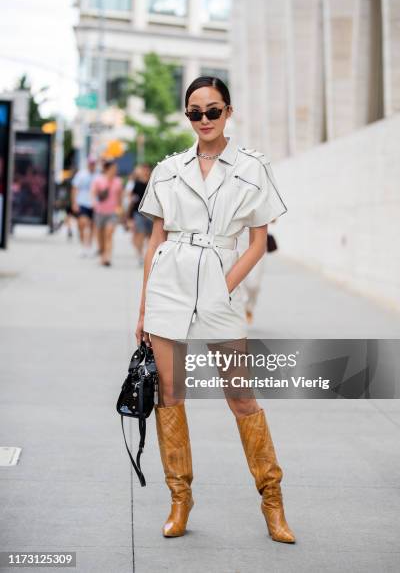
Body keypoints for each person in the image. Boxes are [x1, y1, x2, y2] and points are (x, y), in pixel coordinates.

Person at [135, 76, 295, 543]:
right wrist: (143, 308)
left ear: (228, 112)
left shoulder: (252, 167)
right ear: (187, 116)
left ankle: (273, 501)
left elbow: (259, 242)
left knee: (240, 396)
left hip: (220, 286)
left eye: (212, 110)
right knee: (169, 395)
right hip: (169, 284)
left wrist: (222, 288)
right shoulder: (168, 170)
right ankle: (179, 499)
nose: (203, 120)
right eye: (194, 112)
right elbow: (155, 239)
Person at [91, 160, 123, 267]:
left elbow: (120, 197)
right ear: (106, 169)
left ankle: (107, 257)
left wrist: (120, 209)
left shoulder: (118, 181)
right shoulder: (98, 180)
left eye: (116, 168)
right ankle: (102, 253)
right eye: (113, 168)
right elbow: (93, 194)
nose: (115, 170)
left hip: (113, 212)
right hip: (100, 212)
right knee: (100, 236)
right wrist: (94, 203)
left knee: (109, 234)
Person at [71, 157, 100, 257]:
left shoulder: (98, 175)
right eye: (91, 164)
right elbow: (75, 189)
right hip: (82, 202)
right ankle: (83, 245)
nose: (92, 165)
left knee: (92, 226)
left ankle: (89, 246)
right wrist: (74, 203)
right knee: (83, 224)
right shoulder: (81, 175)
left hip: (94, 204)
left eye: (93, 164)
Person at [127, 164, 153, 266]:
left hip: (150, 213)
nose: (145, 172)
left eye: (147, 170)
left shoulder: (152, 183)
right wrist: (129, 215)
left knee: (150, 236)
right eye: (144, 170)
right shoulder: (137, 183)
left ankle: (149, 254)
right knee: (140, 234)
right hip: (138, 212)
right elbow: (132, 197)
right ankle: (140, 255)